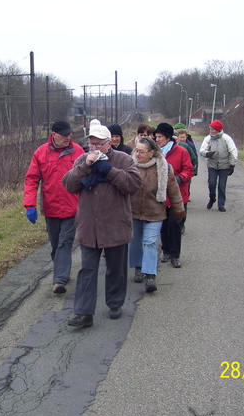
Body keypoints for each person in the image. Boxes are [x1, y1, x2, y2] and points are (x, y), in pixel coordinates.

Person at [62, 124, 142, 328]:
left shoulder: (123, 159)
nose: (94, 147)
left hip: (116, 224)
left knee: (116, 268)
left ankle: (115, 303)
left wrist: (110, 171)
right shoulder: (83, 159)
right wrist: (85, 166)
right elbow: (69, 185)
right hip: (89, 226)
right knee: (87, 269)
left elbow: (133, 185)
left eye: (98, 143)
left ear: (109, 143)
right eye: (91, 143)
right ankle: (83, 312)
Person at [24, 120, 84, 294]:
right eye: (64, 135)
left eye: (69, 134)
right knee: (55, 243)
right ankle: (62, 270)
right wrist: (30, 205)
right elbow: (31, 179)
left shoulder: (78, 152)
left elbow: (86, 175)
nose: (68, 137)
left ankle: (58, 280)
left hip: (73, 208)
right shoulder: (41, 153)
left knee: (65, 242)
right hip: (51, 208)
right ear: (54, 135)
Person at [129, 137, 185, 292]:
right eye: (136, 150)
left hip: (155, 212)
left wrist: (179, 210)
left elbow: (173, 190)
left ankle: (150, 275)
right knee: (134, 242)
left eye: (141, 151)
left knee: (149, 242)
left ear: (152, 153)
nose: (138, 154)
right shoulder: (129, 165)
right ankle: (138, 267)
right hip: (133, 211)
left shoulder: (164, 167)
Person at [153, 123, 193, 268]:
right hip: (161, 195)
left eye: (160, 137)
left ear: (168, 137)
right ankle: (166, 251)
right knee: (163, 225)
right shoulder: (155, 153)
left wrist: (179, 178)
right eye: (156, 137)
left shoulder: (181, 151)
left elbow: (189, 169)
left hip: (177, 195)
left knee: (174, 225)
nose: (157, 140)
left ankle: (175, 255)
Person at [199, 120, 238, 212]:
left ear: (218, 130)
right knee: (212, 183)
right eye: (210, 129)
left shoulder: (226, 138)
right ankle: (212, 198)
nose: (211, 131)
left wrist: (232, 164)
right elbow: (202, 150)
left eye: (213, 129)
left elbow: (233, 151)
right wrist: (207, 153)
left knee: (222, 186)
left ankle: (221, 204)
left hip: (224, 165)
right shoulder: (208, 139)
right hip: (212, 165)